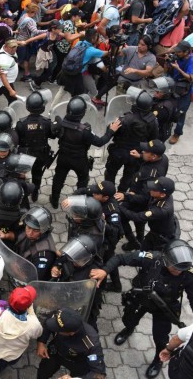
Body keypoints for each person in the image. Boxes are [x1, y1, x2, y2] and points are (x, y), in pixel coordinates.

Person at [90, 239, 193, 378]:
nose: (178, 272)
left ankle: (158, 359)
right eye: (174, 268)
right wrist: (105, 270)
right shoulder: (152, 258)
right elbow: (120, 258)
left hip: (164, 308)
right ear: (166, 259)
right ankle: (128, 330)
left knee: (161, 338)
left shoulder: (187, 272)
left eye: (181, 270)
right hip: (141, 299)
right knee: (129, 320)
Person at [50, 95, 121, 209]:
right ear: (82, 114)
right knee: (82, 182)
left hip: (63, 157)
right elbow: (100, 142)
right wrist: (111, 131)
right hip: (79, 160)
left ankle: (54, 201)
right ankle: (78, 204)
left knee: (58, 179)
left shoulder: (60, 124)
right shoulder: (85, 130)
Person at [104, 89, 158, 192]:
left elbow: (110, 132)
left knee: (110, 172)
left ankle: (108, 191)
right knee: (129, 176)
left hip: (118, 152)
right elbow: (153, 139)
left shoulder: (124, 119)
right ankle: (121, 193)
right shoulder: (152, 121)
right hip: (136, 153)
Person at [36, 308, 106, 379]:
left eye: (58, 329)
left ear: (70, 333)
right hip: (56, 351)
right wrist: (41, 342)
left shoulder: (91, 343)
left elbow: (99, 374)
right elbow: (49, 322)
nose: (55, 328)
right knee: (43, 373)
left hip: (77, 362)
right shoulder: (64, 315)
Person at [15, 91, 54, 202]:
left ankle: (22, 194)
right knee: (37, 175)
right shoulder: (46, 123)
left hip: (25, 155)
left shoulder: (21, 124)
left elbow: (17, 139)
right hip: (41, 155)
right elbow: (52, 135)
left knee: (21, 175)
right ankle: (35, 192)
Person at [167, 40, 193, 145]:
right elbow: (166, 70)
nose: (177, 53)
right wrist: (167, 62)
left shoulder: (191, 60)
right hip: (173, 86)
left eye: (179, 52)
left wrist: (178, 68)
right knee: (168, 107)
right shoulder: (177, 56)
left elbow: (190, 78)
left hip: (184, 91)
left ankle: (177, 133)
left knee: (180, 113)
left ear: (186, 52)